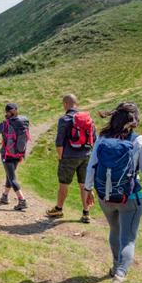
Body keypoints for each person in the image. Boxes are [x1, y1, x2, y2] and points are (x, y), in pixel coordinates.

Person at [83, 102, 142, 283]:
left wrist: (88, 189)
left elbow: (92, 166)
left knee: (114, 230)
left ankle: (114, 265)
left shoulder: (102, 138)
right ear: (134, 120)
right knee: (128, 238)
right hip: (130, 197)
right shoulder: (139, 141)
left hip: (105, 196)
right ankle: (119, 278)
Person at [46, 94, 95, 223]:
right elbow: (93, 139)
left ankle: (59, 209)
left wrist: (61, 157)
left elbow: (59, 142)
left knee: (64, 183)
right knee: (83, 185)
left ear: (65, 104)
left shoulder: (64, 119)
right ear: (76, 104)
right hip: (86, 156)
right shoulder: (88, 118)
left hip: (69, 156)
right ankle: (86, 213)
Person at [0, 103, 29, 210]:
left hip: (7, 154)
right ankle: (5, 196)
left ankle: (22, 200)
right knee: (9, 174)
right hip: (18, 153)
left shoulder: (4, 124)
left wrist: (3, 136)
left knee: (12, 178)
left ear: (7, 112)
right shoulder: (23, 122)